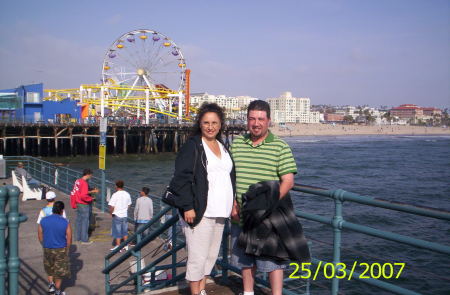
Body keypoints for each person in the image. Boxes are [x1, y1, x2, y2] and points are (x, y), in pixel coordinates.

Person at [230, 100, 298, 295]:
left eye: (260, 119)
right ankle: (248, 292)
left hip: (269, 216)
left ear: (269, 120)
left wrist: (268, 204)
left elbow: (288, 181)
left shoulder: (280, 147)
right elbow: (231, 178)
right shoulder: (237, 144)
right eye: (252, 118)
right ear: (247, 120)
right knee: (245, 259)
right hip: (242, 214)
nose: (256, 123)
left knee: (273, 261)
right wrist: (233, 203)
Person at [169, 103, 236, 295]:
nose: (210, 126)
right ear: (200, 123)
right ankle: (195, 292)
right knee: (197, 257)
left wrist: (232, 203)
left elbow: (229, 176)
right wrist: (188, 207)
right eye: (206, 122)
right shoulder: (193, 146)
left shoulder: (222, 146)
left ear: (221, 124)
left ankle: (202, 289)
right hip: (200, 211)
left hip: (220, 211)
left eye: (214, 122)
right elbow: (180, 178)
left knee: (210, 256)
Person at [38, 201, 72, 295]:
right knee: (59, 272)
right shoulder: (65, 222)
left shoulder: (43, 220)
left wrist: (44, 244)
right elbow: (69, 238)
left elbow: (40, 235)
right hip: (61, 249)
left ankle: (51, 285)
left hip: (47, 247)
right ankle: (57, 291)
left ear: (52, 210)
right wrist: (67, 249)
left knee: (50, 269)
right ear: (62, 211)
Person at [71, 168, 99, 245]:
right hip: (84, 204)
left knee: (78, 221)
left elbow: (77, 192)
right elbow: (84, 195)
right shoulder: (84, 183)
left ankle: (77, 237)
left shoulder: (78, 181)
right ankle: (84, 239)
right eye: (91, 175)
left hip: (78, 203)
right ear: (88, 174)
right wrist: (91, 198)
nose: (91, 177)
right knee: (85, 222)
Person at [108, 180, 132, 251]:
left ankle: (118, 246)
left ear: (116, 186)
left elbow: (111, 206)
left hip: (117, 215)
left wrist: (111, 213)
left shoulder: (115, 195)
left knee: (117, 231)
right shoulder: (127, 194)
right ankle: (126, 245)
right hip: (124, 215)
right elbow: (129, 204)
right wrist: (125, 209)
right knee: (125, 230)